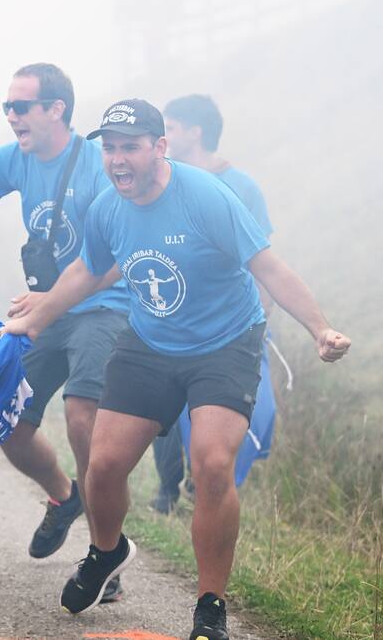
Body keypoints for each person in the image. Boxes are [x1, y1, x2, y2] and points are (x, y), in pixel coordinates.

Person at [4, 99, 350, 640]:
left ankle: (210, 607)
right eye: (110, 148)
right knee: (104, 463)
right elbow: (88, 271)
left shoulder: (206, 197)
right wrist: (38, 314)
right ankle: (107, 552)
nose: (117, 160)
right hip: (149, 343)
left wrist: (320, 328)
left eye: (130, 147)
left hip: (225, 343)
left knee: (212, 464)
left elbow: (268, 266)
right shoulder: (107, 207)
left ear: (159, 148)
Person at [0, 63, 129, 593]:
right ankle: (65, 498)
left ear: (56, 109)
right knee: (7, 423)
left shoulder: (95, 164)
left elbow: (127, 252)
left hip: (105, 307)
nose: (12, 117)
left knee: (83, 417)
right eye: (7, 108)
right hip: (46, 314)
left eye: (21, 107)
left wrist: (54, 297)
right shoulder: (13, 161)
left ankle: (103, 554)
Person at [152, 94, 277, 513]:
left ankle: (210, 488)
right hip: (172, 320)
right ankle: (170, 487)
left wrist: (258, 325)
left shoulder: (242, 187)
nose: (162, 137)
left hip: (231, 325)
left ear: (195, 132)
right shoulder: (162, 181)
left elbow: (262, 262)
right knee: (166, 411)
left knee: (249, 412)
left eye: (169, 127)